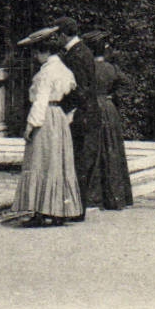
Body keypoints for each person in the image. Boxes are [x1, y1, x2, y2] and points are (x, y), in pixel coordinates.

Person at [12, 29, 83, 227]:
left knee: (40, 161)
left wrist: (30, 125)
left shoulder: (45, 73)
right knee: (58, 163)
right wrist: (66, 118)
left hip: (45, 117)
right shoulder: (64, 69)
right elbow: (73, 94)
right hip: (58, 117)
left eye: (36, 53)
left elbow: (40, 101)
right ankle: (59, 210)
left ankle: (41, 211)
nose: (34, 57)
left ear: (43, 52)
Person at [49, 17, 100, 214]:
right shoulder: (82, 51)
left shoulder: (76, 55)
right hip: (86, 113)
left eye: (57, 35)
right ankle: (77, 208)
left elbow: (80, 89)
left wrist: (61, 107)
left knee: (78, 162)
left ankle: (77, 209)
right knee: (80, 162)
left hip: (81, 115)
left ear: (63, 34)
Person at [83, 30, 134, 210]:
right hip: (108, 108)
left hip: (91, 108)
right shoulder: (112, 68)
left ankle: (93, 197)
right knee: (112, 150)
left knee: (92, 150)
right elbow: (127, 84)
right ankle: (115, 196)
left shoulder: (86, 68)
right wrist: (111, 95)